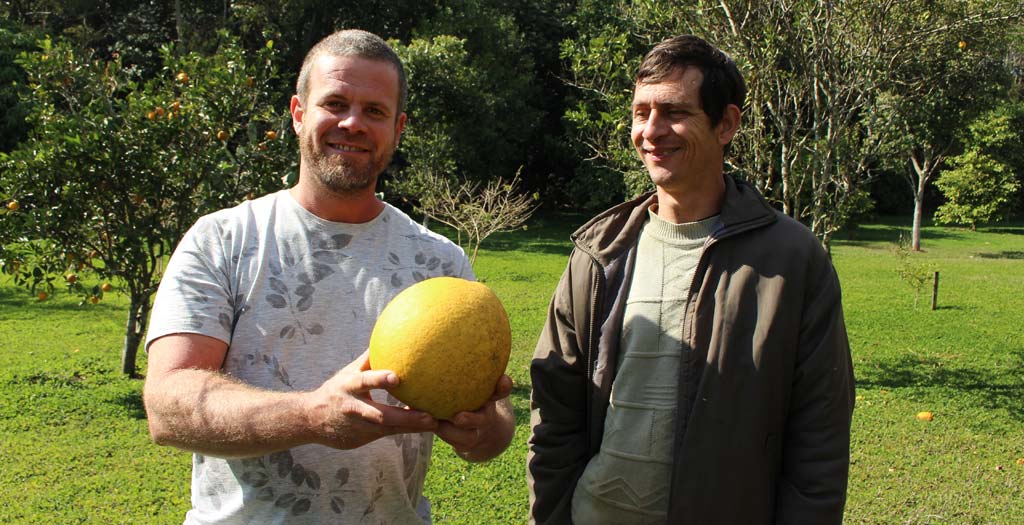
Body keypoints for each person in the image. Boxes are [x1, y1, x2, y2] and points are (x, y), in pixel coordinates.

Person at [143, 29, 515, 524]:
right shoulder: (224, 241)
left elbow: (495, 427)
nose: (353, 123)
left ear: (398, 128)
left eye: (375, 111)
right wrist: (312, 416)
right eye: (335, 102)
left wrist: (487, 428)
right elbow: (168, 405)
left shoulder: (440, 264)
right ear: (298, 114)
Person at [527, 35, 855, 524]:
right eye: (641, 113)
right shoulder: (599, 253)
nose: (651, 131)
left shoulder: (793, 260)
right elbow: (554, 415)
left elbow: (819, 436)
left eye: (673, 112)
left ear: (726, 123)